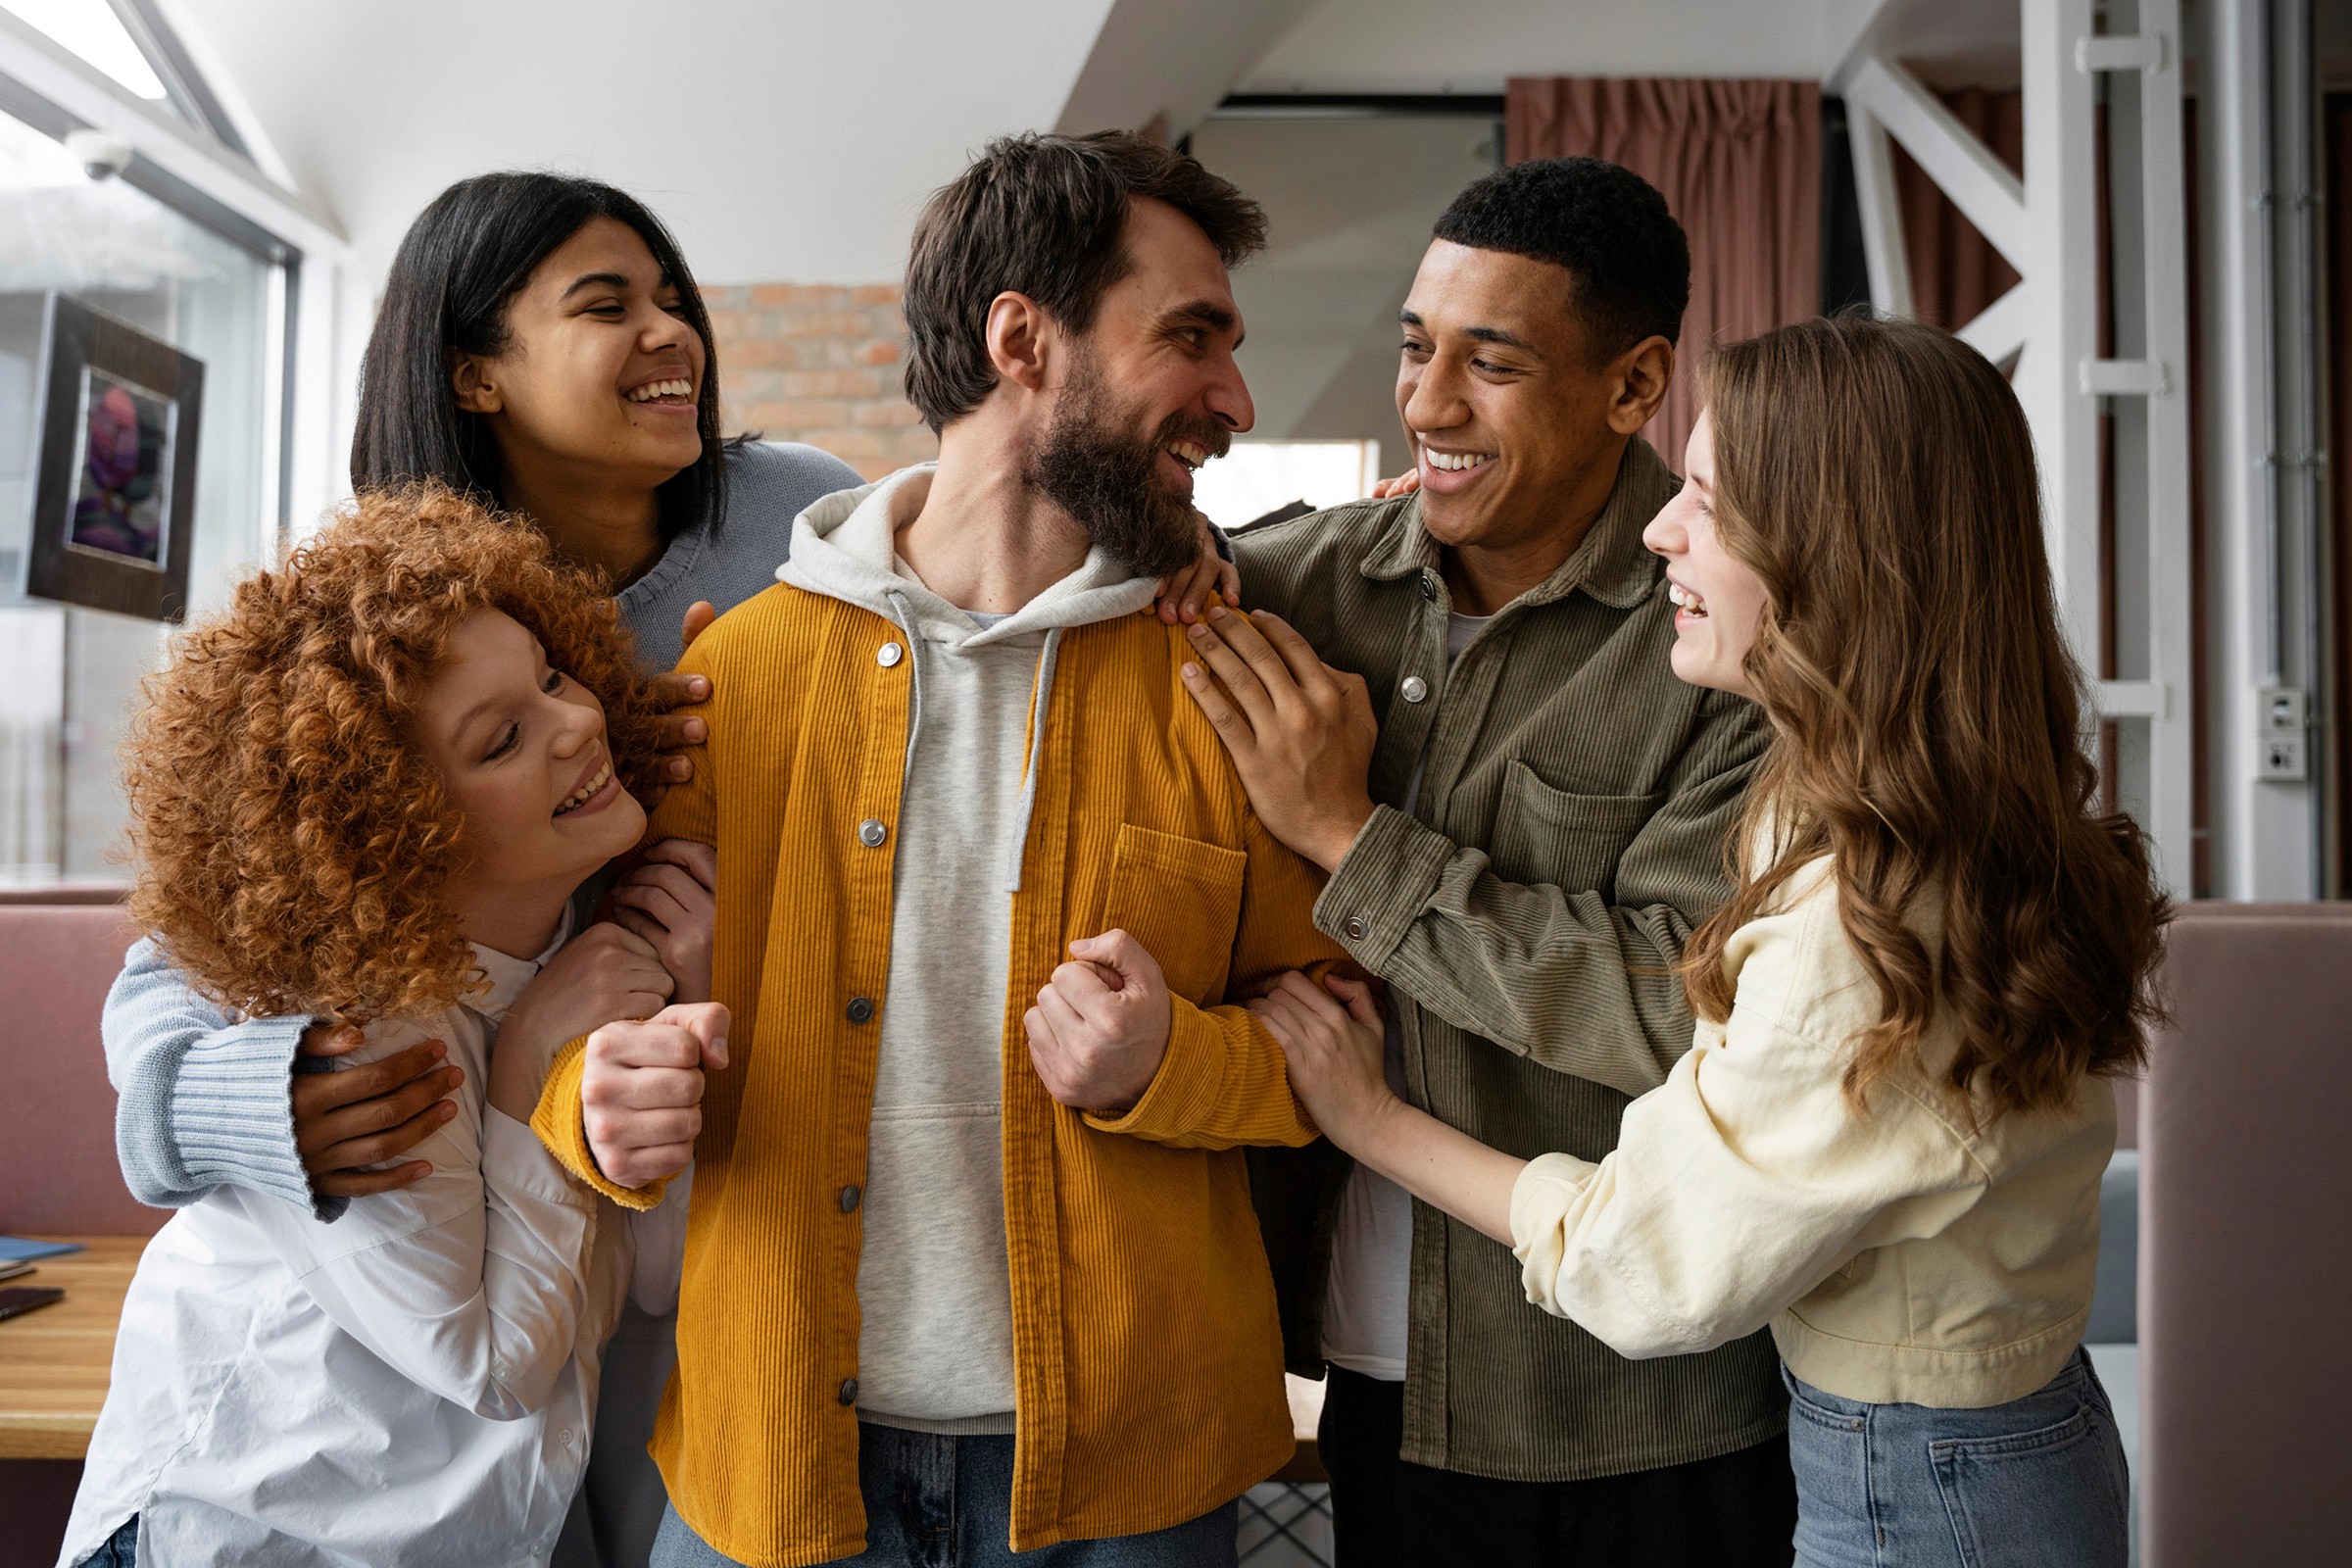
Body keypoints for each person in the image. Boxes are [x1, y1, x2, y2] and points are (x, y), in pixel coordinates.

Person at [95, 171, 1235, 1567]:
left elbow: (1022, 539)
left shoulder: (800, 519)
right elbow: (203, 941)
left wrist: (1182, 537)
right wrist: (241, 1100)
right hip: (478, 1125)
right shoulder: (392, 604)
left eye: (673, 296)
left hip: (678, 1131)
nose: (672, 333)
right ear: (473, 373)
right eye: (605, 305)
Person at [526, 131, 1347, 1568]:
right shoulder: (737, 681)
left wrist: (1178, 1066)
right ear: (1022, 339)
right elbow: (589, 1031)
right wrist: (594, 1110)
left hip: (1137, 1478)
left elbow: (1336, 1027)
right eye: (1191, 337)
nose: (1236, 397)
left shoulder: (1235, 683)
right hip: (774, 1461)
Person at [1254, 314, 2161, 1568]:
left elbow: (1641, 1266)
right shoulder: (1925, 798)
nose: (1656, 530)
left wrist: (1367, 1117)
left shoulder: (1861, 916)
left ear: (1841, 559)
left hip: (1921, 1489)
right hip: (2002, 1443)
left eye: (1707, 500)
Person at [1176, 158, 1794, 1564]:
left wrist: (1347, 832)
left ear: (1636, 387)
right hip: (1379, 1384)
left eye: (1492, 363)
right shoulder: (1287, 588)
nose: (1427, 403)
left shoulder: (1728, 650)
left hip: (1647, 1404)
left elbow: (1678, 1011)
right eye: (1415, 347)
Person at [61, 486, 723, 1567]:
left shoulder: (583, 942)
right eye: (505, 738)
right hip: (249, 1536)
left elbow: (650, 1275)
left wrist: (695, 1001)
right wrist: (525, 1074)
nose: (578, 722)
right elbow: (498, 1363)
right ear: (400, 828)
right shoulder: (357, 1040)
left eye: (554, 677)